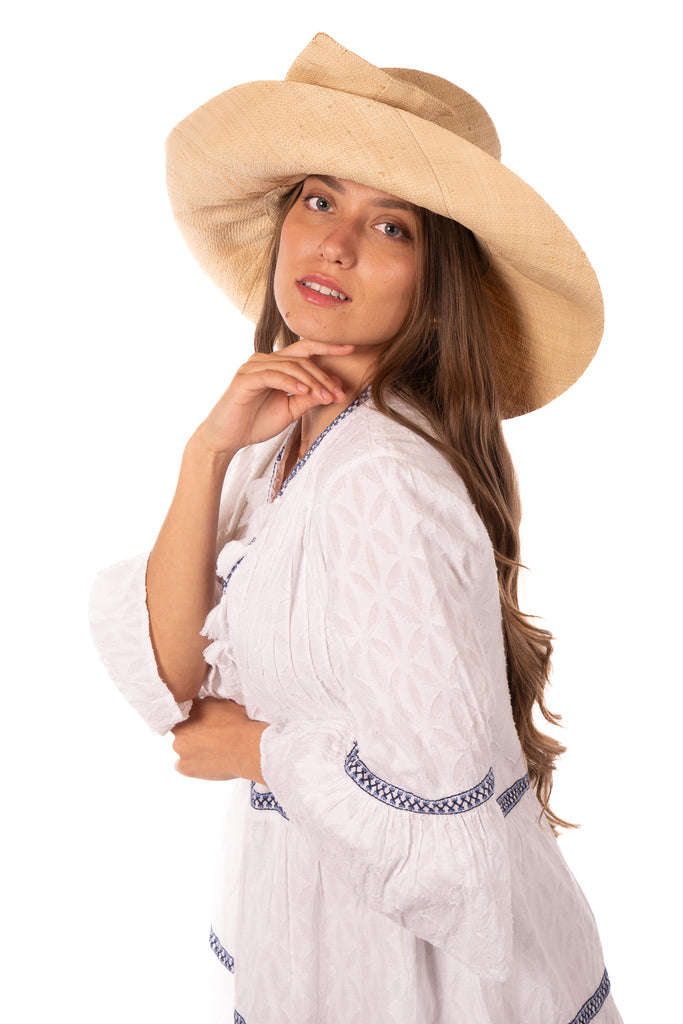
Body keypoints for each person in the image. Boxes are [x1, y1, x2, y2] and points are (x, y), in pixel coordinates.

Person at [90, 33, 622, 1024]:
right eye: (319, 199)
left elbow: (446, 821)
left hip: (429, 982)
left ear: (435, 278)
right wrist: (204, 453)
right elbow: (170, 675)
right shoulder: (278, 433)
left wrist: (258, 751)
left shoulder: (382, 474)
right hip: (331, 943)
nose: (333, 243)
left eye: (392, 228)